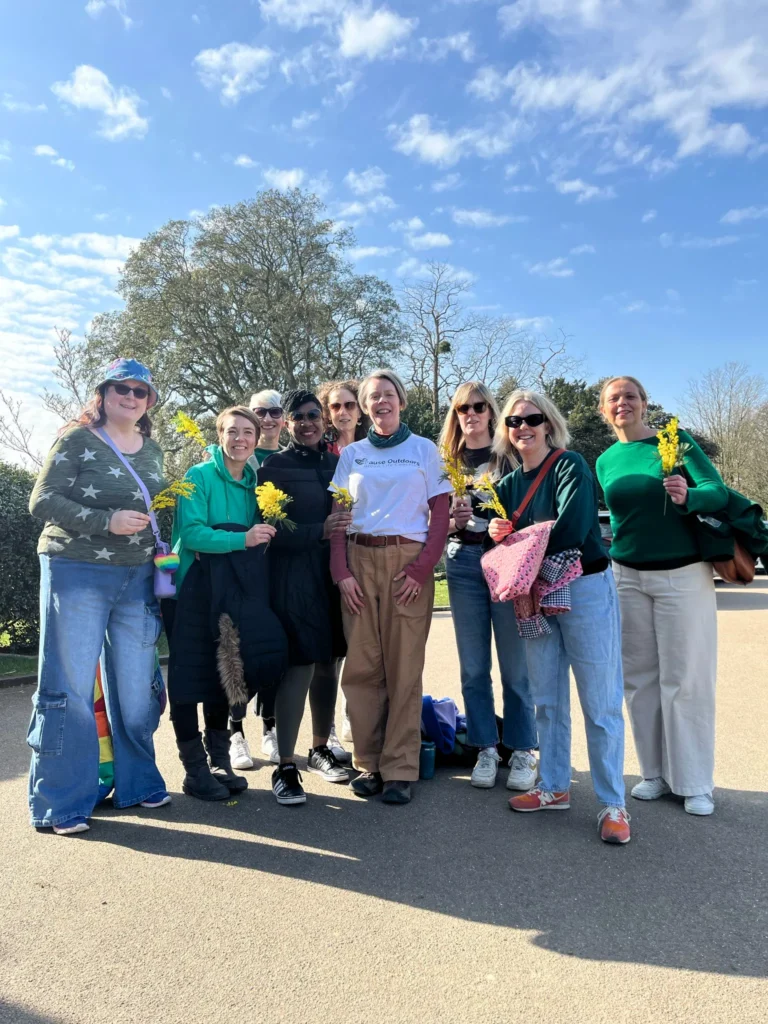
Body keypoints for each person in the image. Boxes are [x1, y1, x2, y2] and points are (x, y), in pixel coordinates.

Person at [27, 357, 170, 835]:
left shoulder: (151, 449)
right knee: (68, 687)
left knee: (135, 689)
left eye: (140, 392)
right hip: (77, 569)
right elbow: (42, 500)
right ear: (103, 393)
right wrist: (103, 522)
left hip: (137, 576)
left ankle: (137, 781)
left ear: (149, 401)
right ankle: (62, 800)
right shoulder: (76, 438)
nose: (130, 398)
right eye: (121, 389)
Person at [488, 389, 630, 844]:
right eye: (513, 421)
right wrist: (496, 530)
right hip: (534, 594)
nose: (522, 427)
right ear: (505, 432)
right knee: (546, 697)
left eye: (531, 418)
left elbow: (572, 526)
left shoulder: (570, 465)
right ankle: (553, 787)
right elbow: (501, 537)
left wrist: (517, 544)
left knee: (600, 700)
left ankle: (613, 803)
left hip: (584, 586)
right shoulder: (508, 485)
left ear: (548, 423)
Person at [597, 376, 727, 817]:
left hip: (683, 573)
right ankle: (654, 772)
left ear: (645, 403)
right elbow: (620, 516)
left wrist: (689, 495)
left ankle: (693, 782)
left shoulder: (676, 442)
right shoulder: (607, 460)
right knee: (640, 680)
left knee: (686, 679)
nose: (622, 404)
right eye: (613, 399)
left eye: (630, 396)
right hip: (627, 575)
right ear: (603, 410)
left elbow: (717, 491)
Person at [329, 369, 452, 804]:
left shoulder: (424, 450)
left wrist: (422, 570)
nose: (380, 402)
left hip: (407, 561)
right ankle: (368, 762)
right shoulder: (353, 455)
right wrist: (340, 572)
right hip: (359, 559)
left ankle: (400, 767)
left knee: (403, 667)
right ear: (364, 407)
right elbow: (339, 518)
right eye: (372, 397)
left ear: (400, 401)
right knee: (362, 667)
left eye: (388, 395)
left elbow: (440, 515)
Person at [167, 406, 284, 801]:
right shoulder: (197, 477)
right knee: (186, 680)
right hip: (192, 591)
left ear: (256, 438)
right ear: (220, 435)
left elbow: (258, 538)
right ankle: (194, 771)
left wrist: (248, 540)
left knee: (225, 672)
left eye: (247, 432)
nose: (240, 439)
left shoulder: (255, 484)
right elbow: (194, 534)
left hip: (232, 591)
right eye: (232, 431)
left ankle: (220, 762)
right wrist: (241, 539)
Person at [437, 382, 537, 790]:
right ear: (456, 414)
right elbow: (430, 524)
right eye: (463, 408)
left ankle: (523, 749)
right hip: (462, 562)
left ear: (492, 411)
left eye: (479, 406)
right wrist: (452, 522)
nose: (472, 414)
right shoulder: (445, 461)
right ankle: (484, 747)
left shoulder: (509, 456)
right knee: (474, 667)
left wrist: (508, 524)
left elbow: (531, 510)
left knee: (515, 667)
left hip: (505, 561)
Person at [258, 389, 354, 805]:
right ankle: (285, 766)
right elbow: (270, 530)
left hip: (333, 576)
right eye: (299, 417)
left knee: (329, 663)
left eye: (315, 415)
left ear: (324, 420)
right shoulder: (273, 466)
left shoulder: (339, 464)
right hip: (292, 577)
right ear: (287, 423)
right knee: (298, 666)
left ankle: (319, 749)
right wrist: (320, 529)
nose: (308, 422)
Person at [240, 388, 287, 765]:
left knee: (273, 646)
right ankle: (234, 729)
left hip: (281, 569)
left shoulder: (290, 458)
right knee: (238, 646)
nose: (268, 419)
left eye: (274, 412)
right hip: (242, 566)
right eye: (260, 413)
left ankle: (270, 727)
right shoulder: (236, 455)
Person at [317, 379, 368, 455]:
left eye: (350, 405)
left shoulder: (372, 448)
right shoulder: (320, 451)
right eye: (335, 406)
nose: (342, 412)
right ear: (328, 414)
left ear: (359, 412)